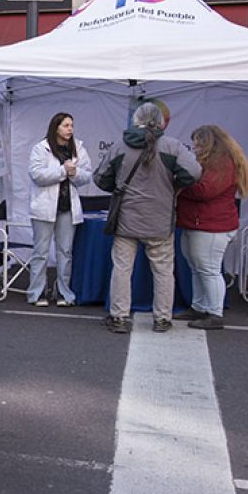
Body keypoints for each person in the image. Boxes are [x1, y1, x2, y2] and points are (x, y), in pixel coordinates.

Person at [93, 102, 201, 334]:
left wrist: (119, 187)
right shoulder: (172, 147)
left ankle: (119, 317)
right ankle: (162, 318)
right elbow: (193, 173)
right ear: (160, 121)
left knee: (122, 269)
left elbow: (101, 178)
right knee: (163, 271)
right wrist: (174, 186)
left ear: (136, 120)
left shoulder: (121, 146)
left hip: (126, 219)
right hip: (160, 219)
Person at [175, 125, 248, 330]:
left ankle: (215, 312)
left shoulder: (222, 162)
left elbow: (204, 191)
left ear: (208, 142)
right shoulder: (221, 160)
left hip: (211, 225)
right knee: (198, 268)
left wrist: (179, 183)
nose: (195, 147)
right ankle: (199, 307)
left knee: (208, 269)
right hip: (200, 222)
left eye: (198, 142)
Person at [26, 112, 92, 307]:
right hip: (44, 207)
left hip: (67, 208)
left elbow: (86, 176)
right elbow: (37, 175)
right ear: (56, 127)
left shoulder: (78, 148)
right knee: (41, 251)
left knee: (65, 252)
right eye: (65, 125)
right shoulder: (41, 148)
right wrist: (63, 171)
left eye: (71, 125)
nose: (70, 129)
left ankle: (64, 291)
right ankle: (36, 292)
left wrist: (75, 172)